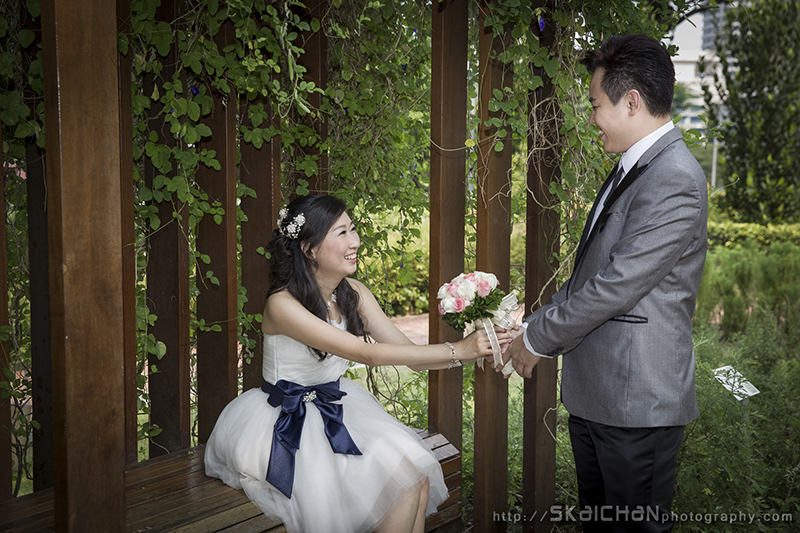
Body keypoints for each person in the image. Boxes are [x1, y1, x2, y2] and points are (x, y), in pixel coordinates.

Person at [499, 34, 708, 532]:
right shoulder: (631, 168)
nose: (591, 118)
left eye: (596, 104)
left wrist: (536, 339)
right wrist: (529, 325)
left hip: (638, 403)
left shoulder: (674, 176)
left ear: (631, 102)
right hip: (602, 395)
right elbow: (589, 274)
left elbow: (616, 286)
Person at [205, 194, 510, 533]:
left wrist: (478, 344)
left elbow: (412, 359)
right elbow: (367, 353)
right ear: (309, 248)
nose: (355, 241)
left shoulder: (354, 293)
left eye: (353, 229)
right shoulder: (282, 305)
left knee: (416, 481)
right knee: (403, 487)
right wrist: (458, 349)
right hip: (283, 422)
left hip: (337, 407)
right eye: (341, 233)